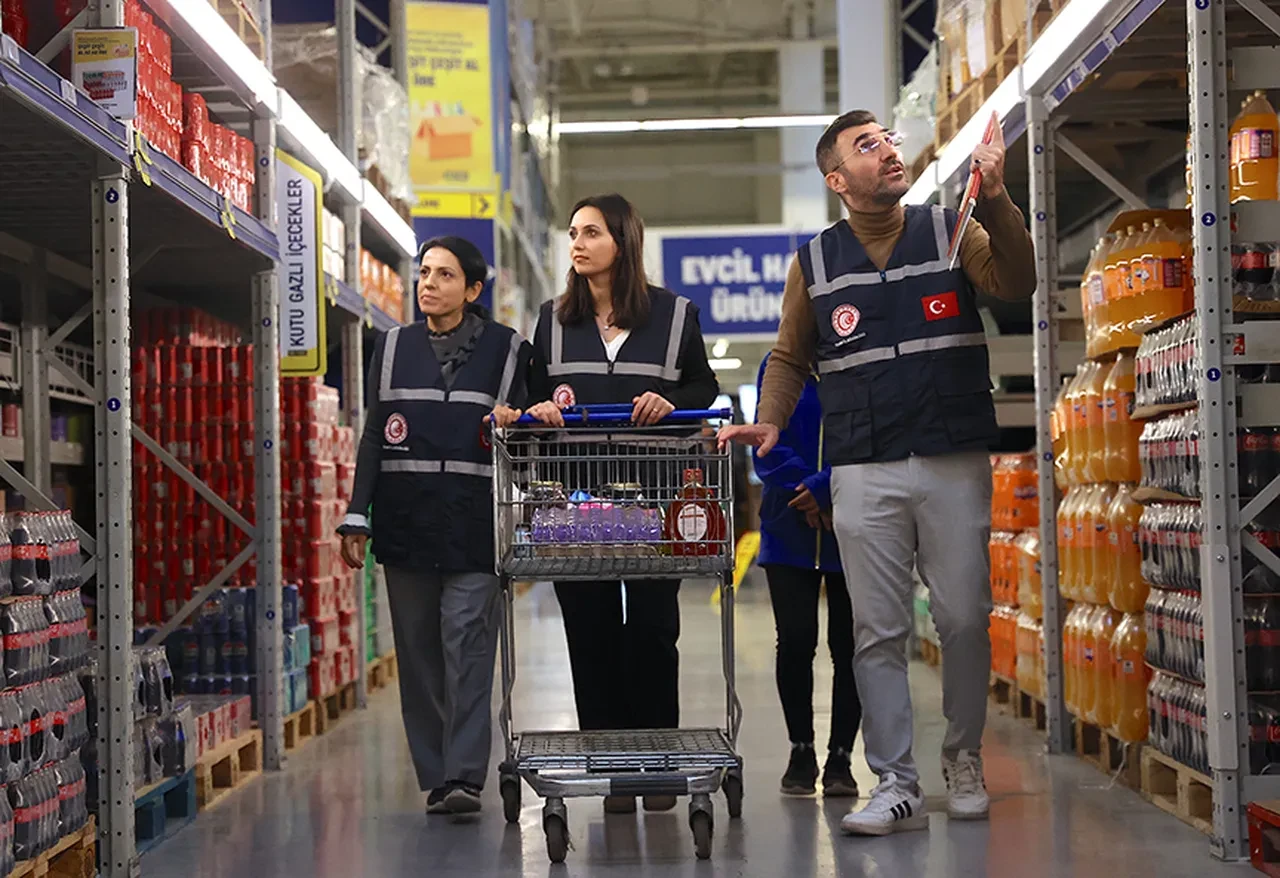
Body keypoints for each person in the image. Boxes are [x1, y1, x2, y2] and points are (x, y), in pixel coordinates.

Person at [719, 110, 1036, 836]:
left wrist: (995, 195)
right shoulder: (816, 262)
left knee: (961, 618)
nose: (890, 151)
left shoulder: (949, 230)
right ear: (838, 179)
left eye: (888, 139)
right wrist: (771, 417)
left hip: (952, 453)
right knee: (877, 629)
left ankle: (962, 756)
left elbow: (1016, 281)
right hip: (863, 462)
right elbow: (791, 356)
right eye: (869, 146)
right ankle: (894, 779)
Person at [513, 193, 720, 815]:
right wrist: (541, 408)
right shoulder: (552, 320)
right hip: (574, 504)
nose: (576, 243)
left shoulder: (675, 315)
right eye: (573, 232)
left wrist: (669, 399)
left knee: (654, 628)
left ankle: (656, 764)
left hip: (653, 498)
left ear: (623, 242)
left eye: (591, 232)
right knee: (590, 630)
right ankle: (608, 765)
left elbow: (704, 384)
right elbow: (532, 395)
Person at [337, 235, 534, 816]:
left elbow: (525, 443)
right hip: (407, 523)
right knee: (420, 656)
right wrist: (356, 513)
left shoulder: (508, 350)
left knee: (467, 645)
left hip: (475, 525)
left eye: (445, 275)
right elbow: (375, 434)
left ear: (473, 290)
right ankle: (436, 773)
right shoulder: (391, 346)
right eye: (424, 273)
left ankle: (465, 776)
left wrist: (517, 423)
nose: (428, 283)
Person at [752, 352, 861, 799]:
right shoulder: (775, 367)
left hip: (849, 519)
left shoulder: (860, 361)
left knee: (849, 643)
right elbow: (765, 439)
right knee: (795, 640)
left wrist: (826, 487)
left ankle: (841, 757)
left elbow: (873, 436)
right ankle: (801, 749)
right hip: (788, 520)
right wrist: (804, 488)